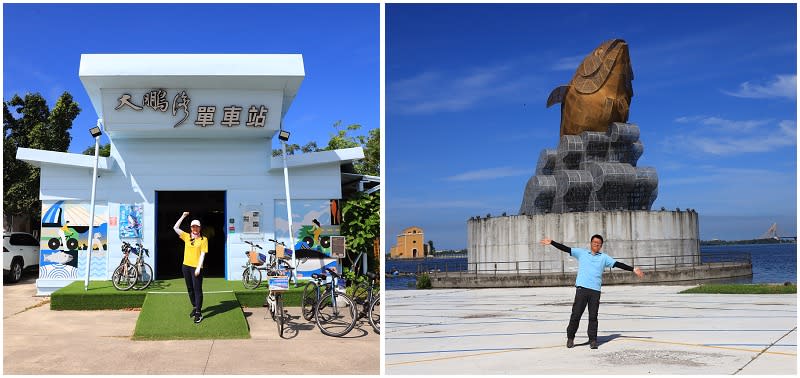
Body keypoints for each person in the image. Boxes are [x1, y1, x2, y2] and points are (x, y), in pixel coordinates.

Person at [540, 234, 644, 349]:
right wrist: (552, 242)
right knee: (576, 315)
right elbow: (566, 249)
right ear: (591, 243)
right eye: (594, 242)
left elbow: (618, 264)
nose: (596, 244)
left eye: (599, 243)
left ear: (601, 246)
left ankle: (593, 340)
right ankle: (570, 338)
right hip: (582, 289)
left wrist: (633, 269)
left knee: (593, 317)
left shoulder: (604, 258)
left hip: (595, 291)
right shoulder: (582, 253)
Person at [174, 212, 208, 324]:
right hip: (186, 266)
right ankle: (195, 307)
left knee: (197, 290)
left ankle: (199, 313)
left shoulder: (204, 239)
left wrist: (198, 268)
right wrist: (183, 216)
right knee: (190, 288)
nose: (195, 229)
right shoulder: (186, 236)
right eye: (193, 227)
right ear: (191, 228)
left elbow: (203, 254)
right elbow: (175, 227)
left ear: (200, 228)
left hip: (196, 267)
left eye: (197, 227)